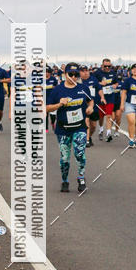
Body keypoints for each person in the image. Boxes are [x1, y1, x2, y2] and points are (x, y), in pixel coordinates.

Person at [46, 63, 94, 193]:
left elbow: (90, 100)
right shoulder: (57, 90)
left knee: (79, 153)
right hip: (63, 129)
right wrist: (59, 104)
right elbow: (47, 108)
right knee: (65, 158)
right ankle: (65, 180)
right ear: (65, 74)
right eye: (70, 74)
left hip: (80, 127)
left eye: (76, 75)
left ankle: (81, 177)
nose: (73, 77)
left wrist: (90, 107)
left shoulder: (83, 88)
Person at [94, 57, 119, 141]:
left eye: (109, 66)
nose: (107, 68)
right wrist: (100, 83)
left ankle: (108, 133)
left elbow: (116, 82)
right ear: (102, 65)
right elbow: (92, 82)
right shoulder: (97, 73)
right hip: (100, 98)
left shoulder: (113, 73)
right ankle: (101, 129)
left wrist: (115, 85)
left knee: (109, 115)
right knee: (101, 116)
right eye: (105, 66)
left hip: (110, 97)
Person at [79, 65, 99, 147]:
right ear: (79, 72)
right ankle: (86, 140)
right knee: (86, 122)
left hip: (93, 104)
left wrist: (103, 97)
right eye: (83, 71)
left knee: (93, 126)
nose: (85, 72)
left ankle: (89, 136)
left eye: (86, 70)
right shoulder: (77, 81)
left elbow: (99, 89)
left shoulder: (93, 79)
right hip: (83, 105)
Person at [45, 66, 59, 132]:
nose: (46, 73)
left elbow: (57, 87)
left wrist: (54, 87)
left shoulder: (53, 79)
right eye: (45, 72)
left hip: (52, 99)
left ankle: (53, 123)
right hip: (44, 99)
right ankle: (46, 128)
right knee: (45, 114)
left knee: (53, 115)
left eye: (48, 72)